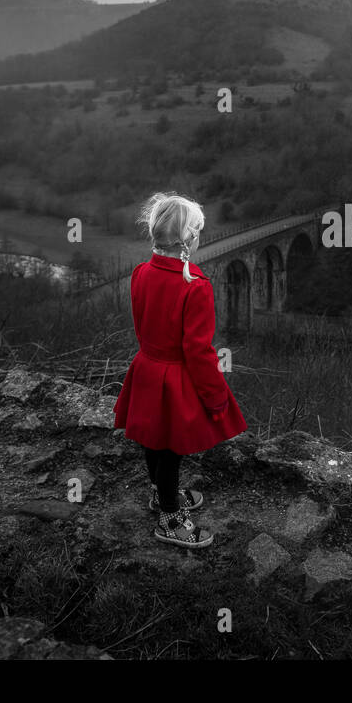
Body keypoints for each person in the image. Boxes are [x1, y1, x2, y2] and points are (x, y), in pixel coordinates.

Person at [113, 192, 247, 548]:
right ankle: (170, 519)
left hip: (145, 369)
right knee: (171, 449)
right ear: (189, 240)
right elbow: (199, 352)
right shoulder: (196, 287)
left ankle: (160, 494)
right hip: (174, 378)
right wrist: (216, 396)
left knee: (152, 440)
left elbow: (143, 324)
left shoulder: (141, 272)